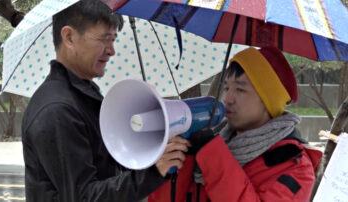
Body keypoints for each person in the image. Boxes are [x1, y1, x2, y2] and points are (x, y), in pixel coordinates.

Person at [21, 1, 190, 201]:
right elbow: (83, 197)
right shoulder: (57, 110)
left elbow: (113, 161)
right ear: (69, 37)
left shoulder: (83, 96)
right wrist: (153, 173)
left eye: (113, 40)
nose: (111, 51)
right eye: (104, 39)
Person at [148, 47, 323, 202]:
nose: (227, 99)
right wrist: (175, 166)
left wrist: (213, 156)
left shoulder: (295, 167)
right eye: (226, 88)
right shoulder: (214, 145)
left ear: (268, 101)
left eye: (240, 89)